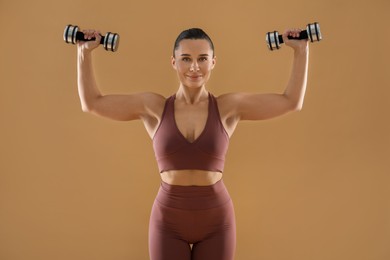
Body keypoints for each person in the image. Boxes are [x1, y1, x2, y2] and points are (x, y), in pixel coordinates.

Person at [76, 26, 309, 260]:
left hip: (217, 221)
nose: (194, 67)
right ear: (174, 62)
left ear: (213, 62)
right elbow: (92, 103)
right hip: (167, 221)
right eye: (186, 59)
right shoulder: (154, 107)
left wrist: (301, 51)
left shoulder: (228, 107)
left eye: (202, 59)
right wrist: (83, 53)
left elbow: (291, 101)